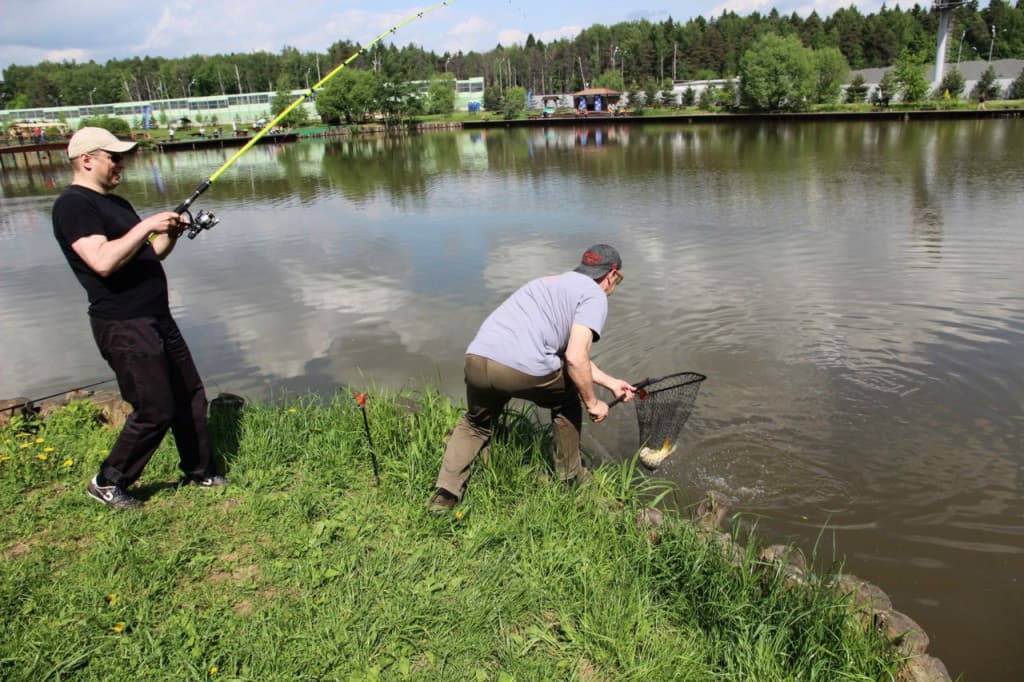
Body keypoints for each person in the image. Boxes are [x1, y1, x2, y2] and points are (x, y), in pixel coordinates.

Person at [51, 127, 226, 510]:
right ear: (87, 160)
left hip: (155, 316)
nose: (121, 164)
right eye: (114, 157)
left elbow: (150, 255)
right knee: (154, 407)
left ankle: (200, 470)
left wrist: (171, 233)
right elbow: (102, 261)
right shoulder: (73, 206)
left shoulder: (117, 204)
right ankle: (109, 481)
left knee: (189, 394)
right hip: (123, 323)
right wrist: (147, 225)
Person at [428, 244, 635, 511]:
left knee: (475, 424)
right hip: (522, 369)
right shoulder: (595, 295)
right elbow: (575, 358)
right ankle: (570, 479)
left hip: (478, 359)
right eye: (616, 280)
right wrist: (593, 402)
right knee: (568, 398)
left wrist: (611, 383)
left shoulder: (549, 283)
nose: (612, 286)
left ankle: (445, 494)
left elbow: (568, 354)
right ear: (611, 274)